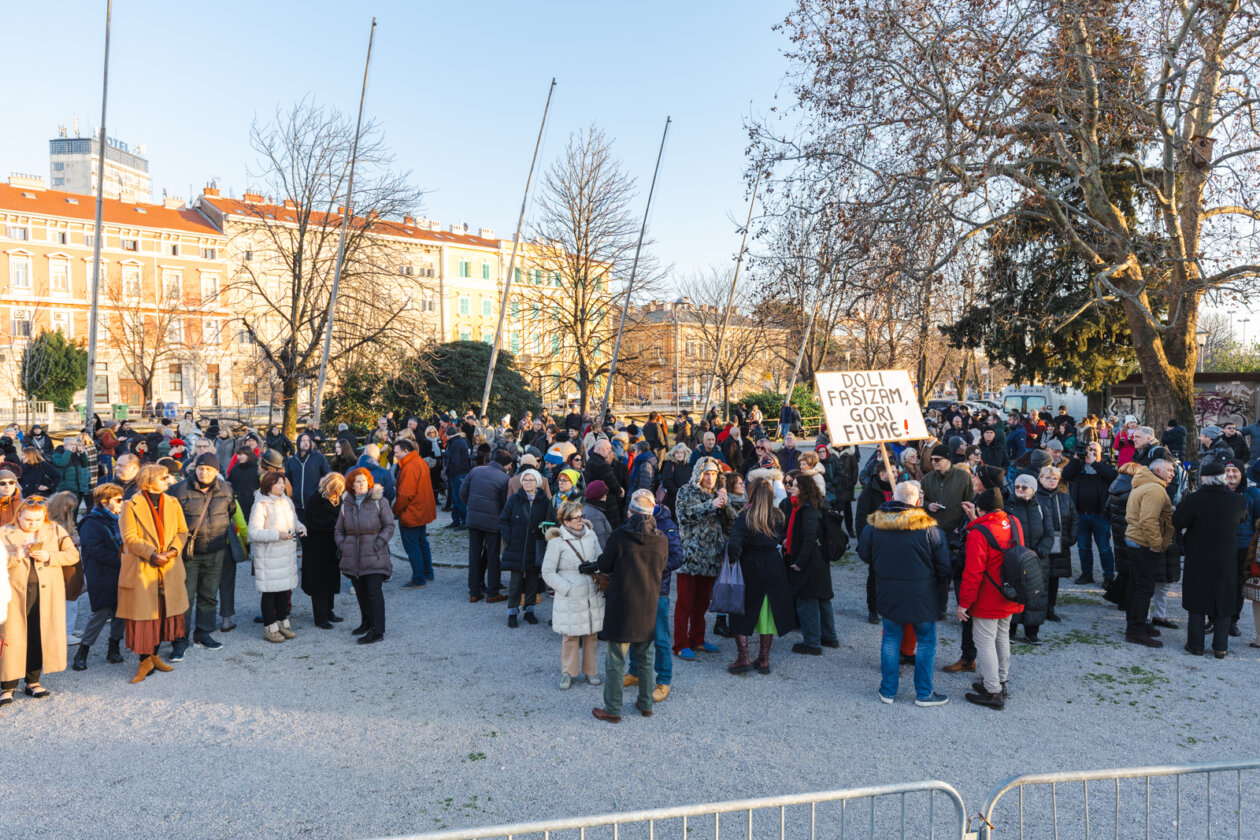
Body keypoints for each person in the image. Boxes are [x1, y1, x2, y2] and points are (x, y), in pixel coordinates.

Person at [858, 481, 950, 705]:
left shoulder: (874, 527)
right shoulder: (930, 529)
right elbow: (944, 567)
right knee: (926, 642)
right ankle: (924, 693)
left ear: (892, 499)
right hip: (923, 595)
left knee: (890, 639)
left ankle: (888, 691)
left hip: (889, 592)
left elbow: (864, 554)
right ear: (917, 501)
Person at [592, 490, 670, 724]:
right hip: (648, 600)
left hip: (622, 602)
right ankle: (645, 704)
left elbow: (605, 564)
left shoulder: (620, 536)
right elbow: (663, 565)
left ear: (631, 512)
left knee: (616, 658)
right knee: (645, 656)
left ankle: (613, 709)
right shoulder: (661, 538)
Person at [0, 498, 79, 702]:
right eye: (28, 519)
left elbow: (73, 556)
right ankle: (7, 685)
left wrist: (50, 556)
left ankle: (32, 681)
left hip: (46, 593)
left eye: (38, 519)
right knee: (10, 638)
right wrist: (14, 557)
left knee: (37, 634)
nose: (33, 523)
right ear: (18, 515)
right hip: (12, 594)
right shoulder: (4, 531)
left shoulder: (55, 530)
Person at [118, 463, 189, 683]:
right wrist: (152, 554)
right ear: (148, 481)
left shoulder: (173, 502)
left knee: (163, 613)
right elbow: (129, 537)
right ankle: (144, 660)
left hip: (169, 566)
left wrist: (174, 551)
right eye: (164, 477)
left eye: (168, 476)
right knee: (144, 617)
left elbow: (182, 531)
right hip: (143, 567)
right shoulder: (130, 505)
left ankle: (155, 655)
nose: (169, 479)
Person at [958, 473, 1021, 710]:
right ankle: (1000, 680)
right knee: (1002, 637)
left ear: (981, 510)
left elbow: (973, 573)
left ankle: (992, 691)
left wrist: (964, 603)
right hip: (1010, 593)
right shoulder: (1013, 522)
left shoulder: (979, 533)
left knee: (983, 642)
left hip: (988, 596)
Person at [1173, 460, 1247, 657]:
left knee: (1197, 598)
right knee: (1224, 599)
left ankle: (1195, 644)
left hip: (1198, 556)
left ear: (1203, 478)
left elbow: (1178, 521)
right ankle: (1220, 646)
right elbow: (1243, 519)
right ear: (1223, 478)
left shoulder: (1193, 499)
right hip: (1226, 557)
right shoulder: (1238, 501)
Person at [166, 452, 235, 659]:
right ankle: (179, 640)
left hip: (216, 550)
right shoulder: (178, 490)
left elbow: (230, 512)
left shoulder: (226, 489)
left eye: (209, 469)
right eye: (201, 468)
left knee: (209, 595)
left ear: (216, 471)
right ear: (195, 469)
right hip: (188, 554)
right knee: (184, 597)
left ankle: (203, 633)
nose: (204, 472)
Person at [725, 479, 797, 673]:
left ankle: (743, 657)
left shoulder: (746, 515)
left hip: (751, 566)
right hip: (773, 565)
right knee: (768, 611)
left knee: (742, 610)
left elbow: (734, 543)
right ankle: (763, 659)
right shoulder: (778, 515)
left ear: (753, 494)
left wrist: (732, 561)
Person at [541, 499, 606, 688]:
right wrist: (566, 588)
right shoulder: (557, 542)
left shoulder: (591, 535)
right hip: (570, 593)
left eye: (581, 516)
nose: (580, 520)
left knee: (591, 633)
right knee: (570, 635)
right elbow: (547, 572)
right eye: (575, 517)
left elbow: (600, 557)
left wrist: (594, 567)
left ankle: (591, 670)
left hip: (591, 590)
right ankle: (568, 672)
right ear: (565, 521)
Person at [673, 457, 730, 660]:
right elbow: (684, 515)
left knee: (702, 602)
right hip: (690, 556)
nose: (710, 478)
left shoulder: (718, 493)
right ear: (699, 473)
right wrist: (711, 505)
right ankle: (680, 643)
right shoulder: (685, 491)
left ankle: (697, 639)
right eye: (706, 473)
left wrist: (725, 505)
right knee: (685, 602)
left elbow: (730, 522)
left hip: (711, 557)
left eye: (714, 474)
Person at [782, 468, 836, 661]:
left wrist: (799, 562)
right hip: (818, 561)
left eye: (796, 486)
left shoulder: (807, 509)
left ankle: (812, 643)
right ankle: (829, 637)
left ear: (804, 489)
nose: (791, 488)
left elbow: (810, 539)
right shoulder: (813, 505)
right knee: (822, 599)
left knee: (807, 602)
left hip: (810, 562)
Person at [336, 467, 395, 644]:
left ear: (369, 482)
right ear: (351, 485)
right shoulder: (346, 504)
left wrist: (378, 544)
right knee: (360, 592)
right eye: (356, 481)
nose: (360, 484)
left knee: (373, 592)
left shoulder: (380, 501)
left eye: (363, 480)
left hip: (375, 555)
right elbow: (339, 530)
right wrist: (344, 545)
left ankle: (377, 630)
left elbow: (389, 526)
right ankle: (366, 622)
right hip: (353, 556)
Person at [73, 484, 128, 670]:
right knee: (101, 613)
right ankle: (83, 651)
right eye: (118, 500)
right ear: (105, 502)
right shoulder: (90, 522)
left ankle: (114, 648)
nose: (122, 503)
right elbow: (95, 550)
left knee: (121, 612)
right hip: (102, 575)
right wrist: (123, 560)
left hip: (119, 572)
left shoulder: (119, 520)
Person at [1123, 459, 1177, 648]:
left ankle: (1135, 625)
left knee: (1135, 585)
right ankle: (1136, 630)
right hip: (1144, 544)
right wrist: (1156, 544)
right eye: (1169, 470)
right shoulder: (1154, 489)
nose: (1172, 474)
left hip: (1135, 540)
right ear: (1157, 470)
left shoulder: (1145, 483)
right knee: (1143, 588)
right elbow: (1149, 520)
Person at [248, 471, 305, 644]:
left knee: (283, 590)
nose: (283, 486)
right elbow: (253, 532)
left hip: (286, 553)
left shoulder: (287, 501)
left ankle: (282, 621)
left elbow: (294, 520)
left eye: (283, 483)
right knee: (270, 592)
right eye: (279, 483)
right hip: (270, 556)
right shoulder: (261, 504)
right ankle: (270, 627)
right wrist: (276, 534)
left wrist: (301, 527)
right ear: (269, 485)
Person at [499, 468, 551, 627]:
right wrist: (509, 539)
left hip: (535, 546)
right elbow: (503, 520)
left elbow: (548, 522)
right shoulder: (514, 499)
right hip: (516, 545)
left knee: (532, 580)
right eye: (525, 480)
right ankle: (512, 611)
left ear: (538, 483)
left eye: (531, 480)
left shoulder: (544, 502)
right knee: (515, 582)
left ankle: (530, 611)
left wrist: (543, 539)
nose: (528, 483)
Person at [1062, 441, 1117, 585]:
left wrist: (1094, 463)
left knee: (1104, 547)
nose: (1090, 452)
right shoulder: (1078, 467)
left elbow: (1112, 476)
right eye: (1088, 450)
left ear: (1101, 453)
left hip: (1100, 515)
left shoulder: (1105, 466)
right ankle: (1086, 574)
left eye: (1094, 450)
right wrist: (1075, 458)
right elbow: (1066, 475)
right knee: (1083, 547)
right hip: (1081, 514)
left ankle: (1109, 576)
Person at [461, 449, 512, 603]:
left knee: (474, 554)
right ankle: (492, 592)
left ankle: (474, 591)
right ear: (506, 464)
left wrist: (472, 507)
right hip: (493, 522)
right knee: (493, 556)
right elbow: (506, 504)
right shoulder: (504, 478)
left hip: (474, 519)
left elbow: (462, 492)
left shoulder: (475, 471)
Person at [302, 472, 346, 629]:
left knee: (331, 580)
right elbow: (311, 522)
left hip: (331, 546)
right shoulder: (315, 499)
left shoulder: (337, 499)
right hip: (316, 547)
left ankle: (329, 611)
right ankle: (320, 617)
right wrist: (333, 523)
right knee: (319, 583)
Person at [393, 439, 437, 591]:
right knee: (422, 542)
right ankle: (427, 572)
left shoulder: (409, 466)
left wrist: (395, 510)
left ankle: (419, 578)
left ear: (405, 451)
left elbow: (405, 494)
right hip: (421, 510)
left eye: (396, 452)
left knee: (412, 546)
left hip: (411, 512)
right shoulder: (419, 461)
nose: (395, 454)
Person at [1035, 465, 1076, 625]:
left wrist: (1070, 539)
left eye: (1055, 478)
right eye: (1048, 478)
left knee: (1054, 578)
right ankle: (1039, 608)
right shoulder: (1036, 497)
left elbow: (1074, 519)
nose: (1052, 481)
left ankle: (1050, 608)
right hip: (1041, 543)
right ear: (1041, 479)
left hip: (1060, 544)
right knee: (1039, 576)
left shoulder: (1065, 498)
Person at [285, 432, 330, 524]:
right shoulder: (292, 461)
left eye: (308, 441)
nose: (306, 443)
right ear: (298, 443)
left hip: (315, 504)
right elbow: (288, 480)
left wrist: (321, 493)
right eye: (303, 440)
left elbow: (327, 476)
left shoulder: (318, 458)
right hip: (298, 505)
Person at [659, 443, 692, 514]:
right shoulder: (670, 464)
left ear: (685, 454)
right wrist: (677, 492)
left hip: (687, 498)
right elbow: (666, 481)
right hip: (673, 498)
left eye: (681, 453)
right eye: (677, 453)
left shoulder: (688, 466)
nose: (679, 455)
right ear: (674, 454)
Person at [582, 481, 614, 548]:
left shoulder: (587, 508)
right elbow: (600, 540)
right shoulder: (595, 515)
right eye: (604, 494)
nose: (606, 496)